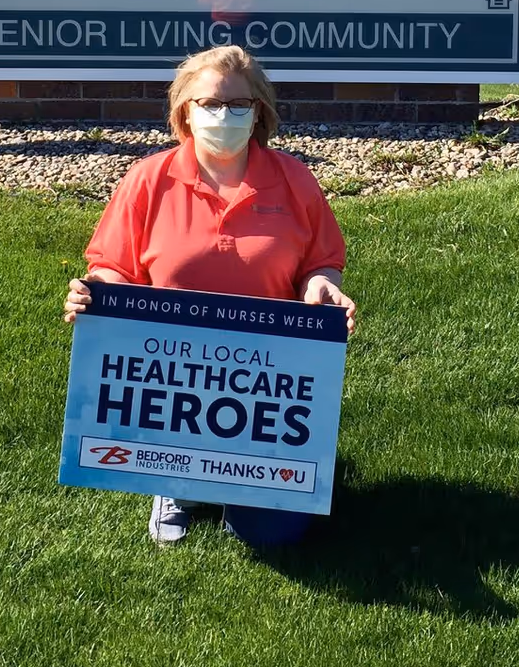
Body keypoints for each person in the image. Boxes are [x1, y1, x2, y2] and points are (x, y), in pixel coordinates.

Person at [64, 45, 357, 548]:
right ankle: (172, 480)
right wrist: (99, 297)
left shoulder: (293, 180)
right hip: (170, 369)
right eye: (210, 104)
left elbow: (320, 260)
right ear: (185, 111)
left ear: (259, 111)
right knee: (188, 442)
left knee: (273, 537)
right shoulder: (148, 179)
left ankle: (240, 477)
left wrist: (321, 284)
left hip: (265, 375)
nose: (225, 115)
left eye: (239, 104)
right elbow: (112, 265)